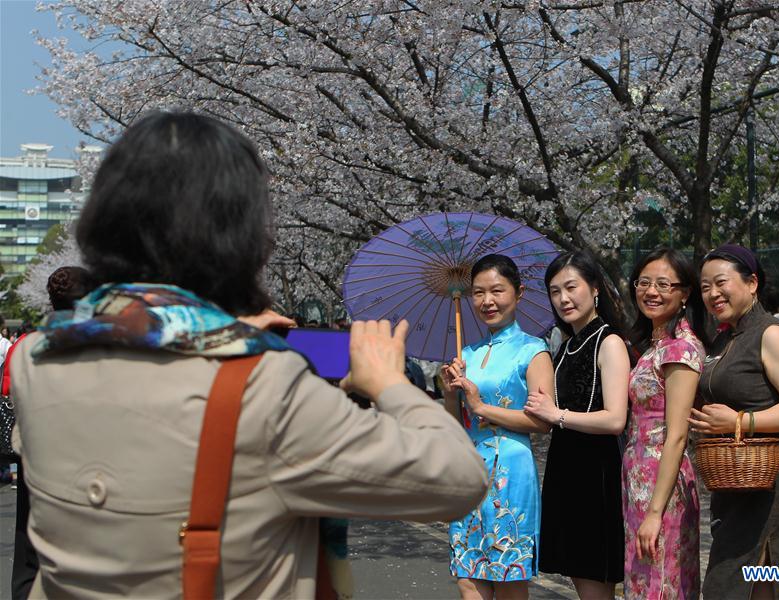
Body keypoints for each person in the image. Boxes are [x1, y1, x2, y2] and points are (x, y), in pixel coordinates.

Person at [10, 112, 489, 598]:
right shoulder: (260, 385)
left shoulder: (41, 360)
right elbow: (458, 480)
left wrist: (225, 335)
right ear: (239, 234)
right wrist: (389, 382)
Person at [689, 244, 779, 600]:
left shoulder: (772, 334)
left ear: (752, 283)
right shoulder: (724, 338)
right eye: (705, 287)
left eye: (721, 282)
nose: (713, 293)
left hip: (770, 481)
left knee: (757, 583)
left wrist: (740, 421)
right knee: (730, 584)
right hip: (734, 481)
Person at [442, 253, 554, 600]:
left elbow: (543, 422)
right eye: (478, 293)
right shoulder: (467, 355)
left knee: (507, 576)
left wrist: (480, 406)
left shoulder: (533, 351)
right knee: (468, 574)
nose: (487, 301)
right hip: (470, 468)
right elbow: (456, 427)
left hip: (510, 468)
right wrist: (450, 394)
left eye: (497, 291)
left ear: (518, 293)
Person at [520, 250, 629, 599]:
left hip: (595, 473)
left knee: (595, 582)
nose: (563, 299)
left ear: (595, 288)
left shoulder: (609, 342)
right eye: (555, 291)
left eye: (571, 287)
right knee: (581, 580)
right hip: (565, 468)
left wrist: (557, 415)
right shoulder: (566, 347)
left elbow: (615, 418)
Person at [623, 248, 708, 599]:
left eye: (663, 284)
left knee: (660, 582)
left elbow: (676, 435)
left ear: (685, 293)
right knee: (644, 580)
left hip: (662, 479)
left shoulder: (679, 349)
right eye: (643, 283)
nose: (651, 292)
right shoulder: (655, 346)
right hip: (639, 478)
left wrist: (655, 512)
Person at [8, 266, 96, 600]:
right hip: (86, 451)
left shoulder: (29, 345)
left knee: (29, 540)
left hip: (35, 447)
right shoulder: (101, 345)